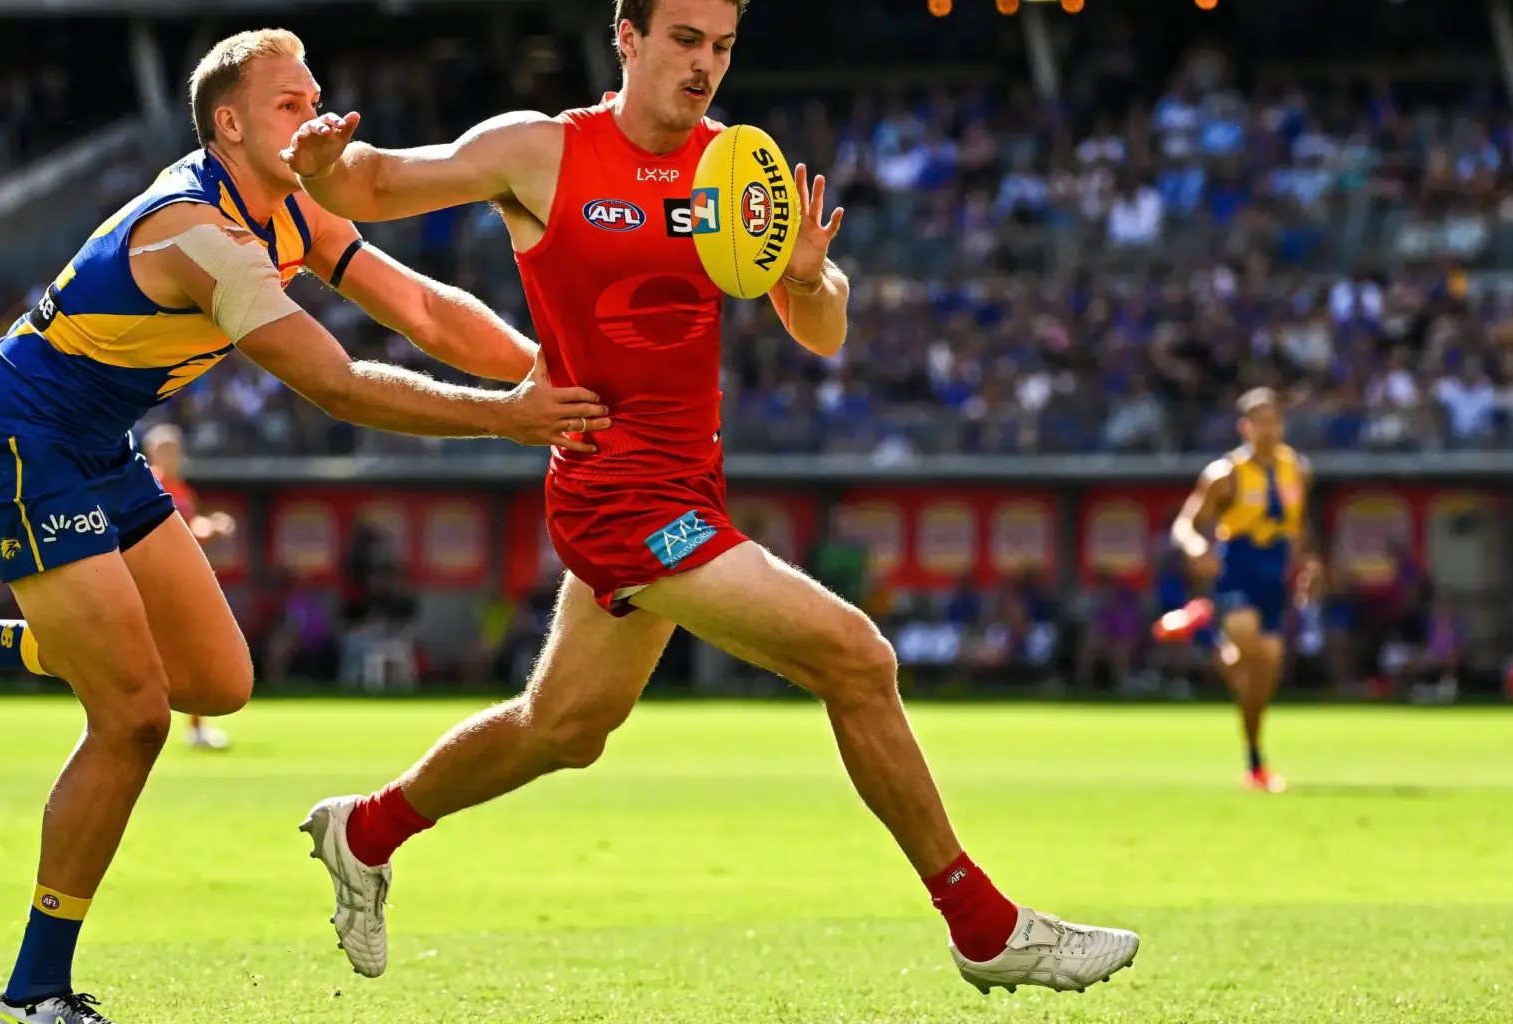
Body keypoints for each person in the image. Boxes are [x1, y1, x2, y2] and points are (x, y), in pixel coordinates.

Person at [284, 0, 1138, 996]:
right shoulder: (542, 151)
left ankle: (366, 828)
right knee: (858, 659)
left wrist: (814, 281)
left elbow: (821, 330)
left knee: (566, 728)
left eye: (723, 46)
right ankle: (983, 923)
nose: (705, 65)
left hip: (687, 487)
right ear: (629, 37)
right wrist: (321, 168)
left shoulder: (735, 166)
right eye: (685, 40)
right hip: (616, 496)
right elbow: (379, 183)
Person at [0, 29, 611, 1024]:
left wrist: (549, 375)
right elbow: (337, 384)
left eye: (316, 93)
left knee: (217, 681)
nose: (313, 114)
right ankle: (32, 992)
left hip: (97, 442)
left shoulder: (291, 207)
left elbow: (425, 313)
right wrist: (511, 417)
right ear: (229, 124)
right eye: (287, 102)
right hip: (20, 446)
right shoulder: (199, 235)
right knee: (133, 712)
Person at [1164, 387, 1318, 793]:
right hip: (1238, 567)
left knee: (1266, 668)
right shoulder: (1225, 474)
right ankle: (1215, 633)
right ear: (1244, 427)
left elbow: (1299, 526)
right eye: (1259, 422)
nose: (1268, 431)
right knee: (1253, 645)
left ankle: (1254, 758)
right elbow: (1184, 524)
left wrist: (1307, 564)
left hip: (1275, 569)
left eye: (1274, 421)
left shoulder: (1297, 470)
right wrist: (1197, 547)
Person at [139, 422, 236, 750]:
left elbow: (187, 528)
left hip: (176, 581)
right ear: (152, 451)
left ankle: (194, 727)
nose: (174, 454)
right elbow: (171, 530)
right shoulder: (147, 482)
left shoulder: (179, 488)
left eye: (176, 448)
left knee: (192, 653)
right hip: (154, 582)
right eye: (167, 448)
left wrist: (211, 526)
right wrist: (209, 528)